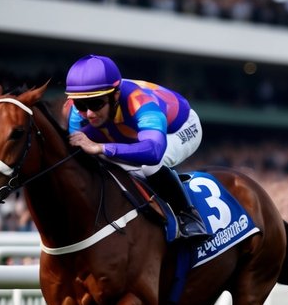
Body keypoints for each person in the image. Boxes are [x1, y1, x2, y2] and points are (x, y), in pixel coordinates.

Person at [64, 54, 209, 240]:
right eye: (81, 104)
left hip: (179, 128)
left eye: (96, 103)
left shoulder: (139, 101)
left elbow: (153, 152)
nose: (89, 113)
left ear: (115, 95)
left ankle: (188, 216)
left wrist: (101, 148)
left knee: (148, 166)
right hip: (130, 133)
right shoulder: (78, 113)